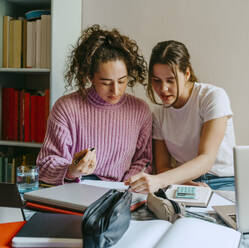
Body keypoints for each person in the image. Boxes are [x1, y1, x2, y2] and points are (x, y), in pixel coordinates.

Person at [37, 25, 152, 185]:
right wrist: (72, 170)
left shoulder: (140, 110)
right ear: (90, 76)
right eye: (106, 83)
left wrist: (125, 186)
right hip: (74, 190)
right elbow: (45, 165)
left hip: (120, 192)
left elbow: (144, 160)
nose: (116, 90)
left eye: (122, 81)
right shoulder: (66, 107)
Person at [127, 40, 235, 193]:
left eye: (170, 80)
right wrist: (186, 184)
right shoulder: (159, 115)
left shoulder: (212, 97)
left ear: (187, 74)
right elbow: (163, 166)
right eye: (157, 80)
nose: (163, 89)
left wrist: (158, 180)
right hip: (183, 182)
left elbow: (206, 160)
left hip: (223, 181)